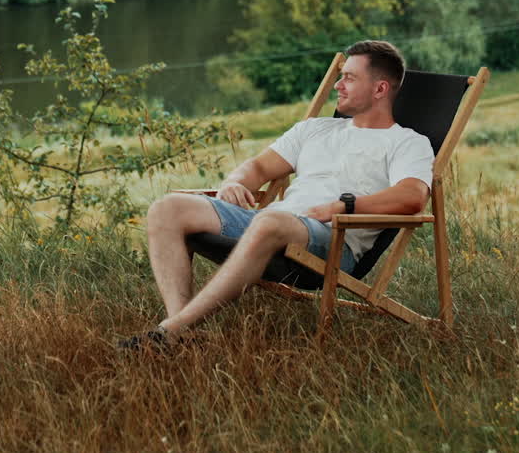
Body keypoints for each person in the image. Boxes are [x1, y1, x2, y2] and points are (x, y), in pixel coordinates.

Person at [121, 40, 434, 350]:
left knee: (271, 220)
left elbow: (412, 196)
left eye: (350, 77)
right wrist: (235, 181)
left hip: (331, 239)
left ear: (380, 90)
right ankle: (180, 331)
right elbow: (258, 167)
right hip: (271, 224)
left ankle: (169, 331)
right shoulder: (314, 129)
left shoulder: (406, 142)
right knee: (167, 208)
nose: (338, 85)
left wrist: (344, 205)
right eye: (340, 75)